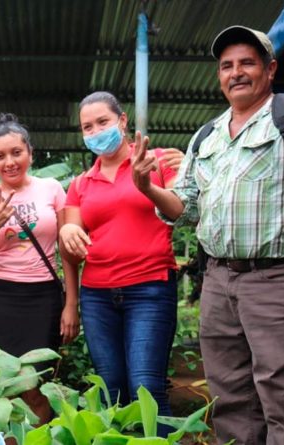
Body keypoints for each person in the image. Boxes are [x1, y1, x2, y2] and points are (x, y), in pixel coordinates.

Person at [132, 26, 284, 444]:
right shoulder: (207, 135)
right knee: (229, 398)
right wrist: (147, 188)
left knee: (282, 398)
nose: (236, 73)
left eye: (247, 62)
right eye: (227, 66)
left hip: (276, 278)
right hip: (219, 281)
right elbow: (186, 206)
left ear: (270, 69)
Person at [59, 92, 181, 421]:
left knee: (146, 386)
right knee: (110, 389)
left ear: (122, 121)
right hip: (97, 295)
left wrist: (147, 186)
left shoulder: (155, 161)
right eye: (88, 127)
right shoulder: (80, 184)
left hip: (150, 289)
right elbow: (71, 238)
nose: (96, 131)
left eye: (103, 122)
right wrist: (67, 232)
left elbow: (180, 209)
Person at [0, 113, 79, 424]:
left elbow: (68, 252)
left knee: (36, 385)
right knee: (1, 386)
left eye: (16, 152)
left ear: (30, 152)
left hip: (43, 297)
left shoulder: (52, 189)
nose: (9, 162)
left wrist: (71, 304)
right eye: (0, 156)